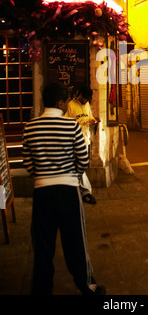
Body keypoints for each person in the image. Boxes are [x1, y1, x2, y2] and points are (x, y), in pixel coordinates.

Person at [22, 82, 105, 295]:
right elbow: (83, 160)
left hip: (42, 192)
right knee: (75, 242)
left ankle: (41, 290)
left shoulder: (30, 126)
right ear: (61, 103)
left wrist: (43, 173)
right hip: (68, 191)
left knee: (42, 245)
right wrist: (72, 174)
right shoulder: (71, 126)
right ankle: (86, 286)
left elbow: (29, 164)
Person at [65, 86, 98, 204]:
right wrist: (79, 123)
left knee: (82, 166)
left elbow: (90, 116)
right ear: (80, 95)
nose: (86, 101)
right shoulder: (70, 105)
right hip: (74, 140)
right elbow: (66, 121)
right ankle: (86, 192)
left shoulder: (87, 104)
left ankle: (79, 189)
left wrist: (92, 120)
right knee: (79, 166)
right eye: (85, 99)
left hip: (86, 139)